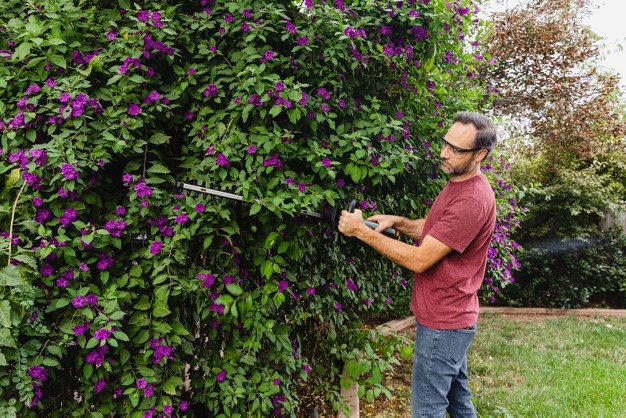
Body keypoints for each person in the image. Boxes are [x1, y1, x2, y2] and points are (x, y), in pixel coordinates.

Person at [338, 111, 497, 417]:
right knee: (459, 404)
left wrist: (360, 231)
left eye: (456, 149)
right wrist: (399, 222)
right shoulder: (461, 183)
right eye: (445, 143)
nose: (443, 153)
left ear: (480, 154)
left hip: (444, 324)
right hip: (451, 320)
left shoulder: (472, 200)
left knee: (427, 410)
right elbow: (440, 229)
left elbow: (420, 259)